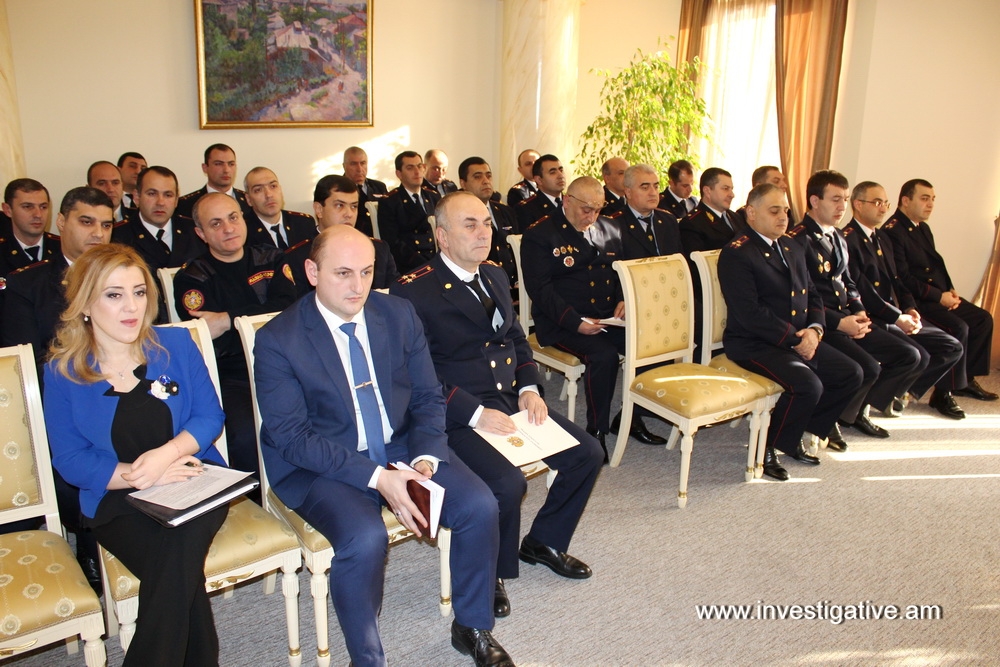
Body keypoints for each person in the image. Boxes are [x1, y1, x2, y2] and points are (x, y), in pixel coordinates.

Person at [254, 224, 514, 667]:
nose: (358, 287)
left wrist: (426, 458)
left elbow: (428, 395)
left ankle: (472, 625)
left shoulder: (397, 313)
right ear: (312, 272)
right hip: (322, 461)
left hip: (400, 444)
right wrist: (379, 478)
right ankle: (367, 658)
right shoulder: (280, 338)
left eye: (366, 272)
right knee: (365, 537)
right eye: (343, 273)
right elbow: (293, 438)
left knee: (479, 505)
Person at [392, 192, 603, 619]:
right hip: (456, 413)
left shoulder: (493, 273)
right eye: (469, 224)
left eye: (486, 223)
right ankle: (491, 573)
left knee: (587, 454)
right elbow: (417, 375)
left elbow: (515, 339)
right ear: (442, 236)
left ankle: (544, 542)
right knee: (506, 484)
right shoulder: (413, 291)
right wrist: (474, 413)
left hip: (509, 399)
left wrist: (530, 388)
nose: (483, 232)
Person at [43, 243, 228, 667]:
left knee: (176, 551)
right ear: (85, 303)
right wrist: (139, 475)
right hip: (116, 498)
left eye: (139, 292)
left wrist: (166, 456)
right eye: (114, 294)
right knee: (177, 572)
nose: (132, 307)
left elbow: (208, 417)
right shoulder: (62, 371)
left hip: (193, 478)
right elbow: (70, 459)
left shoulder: (176, 344)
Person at [718, 184, 863, 480]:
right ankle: (767, 447)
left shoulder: (791, 245)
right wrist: (796, 339)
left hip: (798, 336)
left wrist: (815, 330)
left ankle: (797, 430)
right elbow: (750, 313)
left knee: (851, 374)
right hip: (755, 343)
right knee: (808, 385)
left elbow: (813, 295)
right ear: (751, 213)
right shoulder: (738, 253)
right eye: (774, 211)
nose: (783, 217)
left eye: (785, 210)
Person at [521, 176, 664, 450]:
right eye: (586, 209)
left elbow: (622, 271)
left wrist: (622, 299)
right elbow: (540, 290)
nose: (592, 216)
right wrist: (575, 322)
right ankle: (596, 431)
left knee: (650, 344)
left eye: (598, 209)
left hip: (607, 316)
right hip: (562, 321)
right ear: (567, 201)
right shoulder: (540, 234)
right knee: (603, 356)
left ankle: (631, 417)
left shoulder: (610, 227)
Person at [786, 170, 922, 447]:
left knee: (907, 354)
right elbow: (804, 298)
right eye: (835, 199)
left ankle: (852, 410)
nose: (842, 207)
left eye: (845, 200)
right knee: (867, 368)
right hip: (821, 323)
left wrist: (859, 310)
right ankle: (828, 419)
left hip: (847, 318)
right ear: (814, 200)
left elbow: (848, 281)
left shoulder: (837, 235)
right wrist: (840, 322)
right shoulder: (798, 239)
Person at [174, 193, 295, 481]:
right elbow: (214, 342)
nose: (229, 228)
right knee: (244, 436)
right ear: (201, 233)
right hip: (232, 375)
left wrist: (228, 319)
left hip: (286, 364)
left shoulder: (271, 258)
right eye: (216, 224)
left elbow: (291, 310)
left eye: (233, 218)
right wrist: (260, 316)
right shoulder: (193, 277)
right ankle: (256, 495)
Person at [843, 181, 964, 419]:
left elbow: (897, 280)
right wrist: (898, 317)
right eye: (877, 202)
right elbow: (864, 292)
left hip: (894, 312)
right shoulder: (848, 239)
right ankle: (860, 409)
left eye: (885, 203)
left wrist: (910, 308)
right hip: (872, 316)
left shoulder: (881, 238)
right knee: (917, 356)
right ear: (858, 204)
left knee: (951, 347)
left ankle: (893, 393)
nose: (883, 208)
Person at [881, 179, 998, 403]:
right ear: (905, 200)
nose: (930, 204)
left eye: (933, 199)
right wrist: (938, 296)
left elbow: (936, 264)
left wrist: (950, 290)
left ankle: (965, 380)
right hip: (918, 300)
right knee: (959, 328)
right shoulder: (893, 231)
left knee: (982, 319)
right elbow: (903, 278)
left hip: (938, 295)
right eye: (924, 198)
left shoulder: (922, 227)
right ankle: (943, 393)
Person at [273, 174, 398, 297]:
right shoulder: (296, 257)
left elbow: (395, 295)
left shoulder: (379, 249)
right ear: (319, 209)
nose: (349, 214)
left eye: (354, 206)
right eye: (339, 205)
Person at [111, 166, 206, 322]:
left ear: (176, 200)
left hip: (193, 323)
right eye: (152, 194)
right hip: (143, 325)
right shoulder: (118, 238)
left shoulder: (196, 232)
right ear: (136, 197)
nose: (160, 202)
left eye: (168, 195)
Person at [458, 156, 519, 290]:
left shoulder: (506, 211)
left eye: (488, 176)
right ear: (463, 183)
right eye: (478, 177)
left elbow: (517, 252)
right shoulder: (458, 215)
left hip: (512, 285)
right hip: (479, 286)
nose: (486, 181)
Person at [377, 150, 441, 272]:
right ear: (399, 174)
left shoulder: (433, 196)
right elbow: (393, 243)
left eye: (419, 166)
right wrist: (425, 264)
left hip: (437, 259)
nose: (417, 172)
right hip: (410, 265)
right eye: (410, 168)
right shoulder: (390, 202)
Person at [241, 166, 317, 249]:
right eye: (258, 190)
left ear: (280, 190)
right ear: (248, 199)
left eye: (273, 186)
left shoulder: (304, 223)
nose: (269, 195)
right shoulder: (243, 232)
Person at [617, 164, 682, 260]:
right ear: (628, 192)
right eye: (645, 188)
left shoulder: (668, 220)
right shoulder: (615, 225)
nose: (653, 193)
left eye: (656, 187)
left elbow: (679, 261)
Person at [175, 143, 253, 219]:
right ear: (205, 168)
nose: (226, 170)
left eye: (231, 164)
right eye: (218, 164)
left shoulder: (250, 201)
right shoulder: (184, 204)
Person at [0, 178, 59, 277]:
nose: (38, 215)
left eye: (43, 207)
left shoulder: (64, 249)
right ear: (8, 210)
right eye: (27, 206)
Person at [678, 167, 740, 255]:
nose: (732, 195)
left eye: (731, 189)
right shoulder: (692, 224)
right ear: (707, 191)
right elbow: (697, 261)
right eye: (725, 188)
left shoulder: (737, 218)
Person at [343, 145, 388, 237]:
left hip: (378, 238)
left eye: (363, 163)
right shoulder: (338, 189)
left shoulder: (379, 187)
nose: (359, 169)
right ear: (344, 166)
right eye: (353, 164)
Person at [515, 154, 565, 229]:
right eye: (552, 172)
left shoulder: (573, 202)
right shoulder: (526, 209)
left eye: (561, 170)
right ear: (539, 180)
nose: (561, 176)